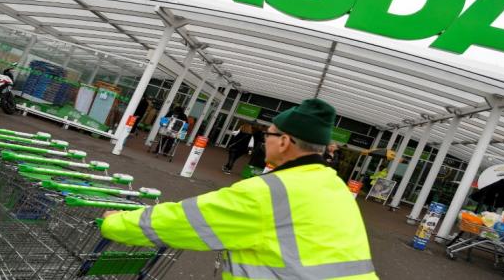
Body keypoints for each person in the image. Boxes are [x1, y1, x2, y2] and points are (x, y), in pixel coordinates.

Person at [100, 98, 378, 279]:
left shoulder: (269, 192)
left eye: (268, 135)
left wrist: (115, 223)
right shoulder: (333, 186)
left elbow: (186, 221)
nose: (263, 141)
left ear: (283, 141)